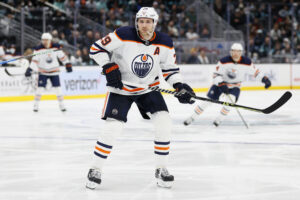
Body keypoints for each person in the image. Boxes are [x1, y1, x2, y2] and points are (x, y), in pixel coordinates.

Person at [86, 7, 195, 189]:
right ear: (137, 22)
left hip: (148, 89)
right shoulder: (122, 34)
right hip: (122, 88)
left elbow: (170, 70)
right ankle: (95, 169)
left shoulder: (165, 42)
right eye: (141, 21)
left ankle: (161, 168)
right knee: (114, 127)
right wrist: (108, 65)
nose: (144, 25)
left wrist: (179, 86)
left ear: (155, 23)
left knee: (164, 121)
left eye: (148, 22)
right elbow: (96, 49)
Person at [183, 43, 271, 127]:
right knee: (207, 102)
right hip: (220, 85)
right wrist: (221, 83)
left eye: (238, 51)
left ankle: (219, 119)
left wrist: (265, 79)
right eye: (233, 51)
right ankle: (192, 117)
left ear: (241, 52)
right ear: (231, 52)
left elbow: (256, 72)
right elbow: (216, 75)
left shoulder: (247, 62)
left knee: (229, 102)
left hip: (235, 86)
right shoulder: (223, 61)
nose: (235, 54)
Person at [25, 33, 73, 112]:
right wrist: (30, 69)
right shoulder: (38, 49)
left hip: (54, 72)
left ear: (50, 40)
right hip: (43, 72)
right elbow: (35, 61)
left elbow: (62, 57)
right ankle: (36, 105)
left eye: (46, 40)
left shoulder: (56, 47)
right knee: (39, 89)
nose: (44, 41)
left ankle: (62, 106)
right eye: (43, 40)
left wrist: (68, 64)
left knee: (58, 89)